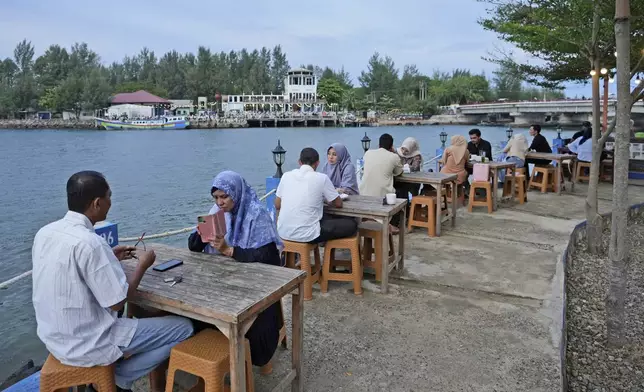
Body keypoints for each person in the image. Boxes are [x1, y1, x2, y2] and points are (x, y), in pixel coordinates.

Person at [32, 171, 193, 392]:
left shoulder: (45, 233)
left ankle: (117, 369)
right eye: (109, 196)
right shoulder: (91, 243)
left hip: (56, 339)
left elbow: (72, 275)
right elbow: (117, 303)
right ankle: (122, 377)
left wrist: (109, 257)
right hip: (89, 341)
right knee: (184, 328)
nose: (111, 202)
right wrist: (142, 266)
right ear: (97, 203)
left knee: (147, 324)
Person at [188, 171, 283, 367]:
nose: (220, 202)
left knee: (254, 333)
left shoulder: (256, 215)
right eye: (216, 198)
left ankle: (246, 354)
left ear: (236, 193)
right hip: (225, 280)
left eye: (224, 197)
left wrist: (229, 250)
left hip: (255, 286)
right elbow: (193, 247)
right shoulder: (216, 212)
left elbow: (268, 257)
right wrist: (202, 230)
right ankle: (213, 350)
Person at [275, 147, 358, 243]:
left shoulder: (286, 176)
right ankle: (330, 253)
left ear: (299, 162)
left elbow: (277, 205)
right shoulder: (322, 178)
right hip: (307, 235)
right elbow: (339, 204)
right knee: (351, 224)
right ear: (317, 163)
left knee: (324, 218)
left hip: (283, 232)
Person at [359, 133, 404, 198]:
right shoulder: (394, 157)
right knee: (401, 189)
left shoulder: (367, 153)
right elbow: (399, 172)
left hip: (363, 194)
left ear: (379, 145)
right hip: (383, 197)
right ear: (391, 146)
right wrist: (394, 152)